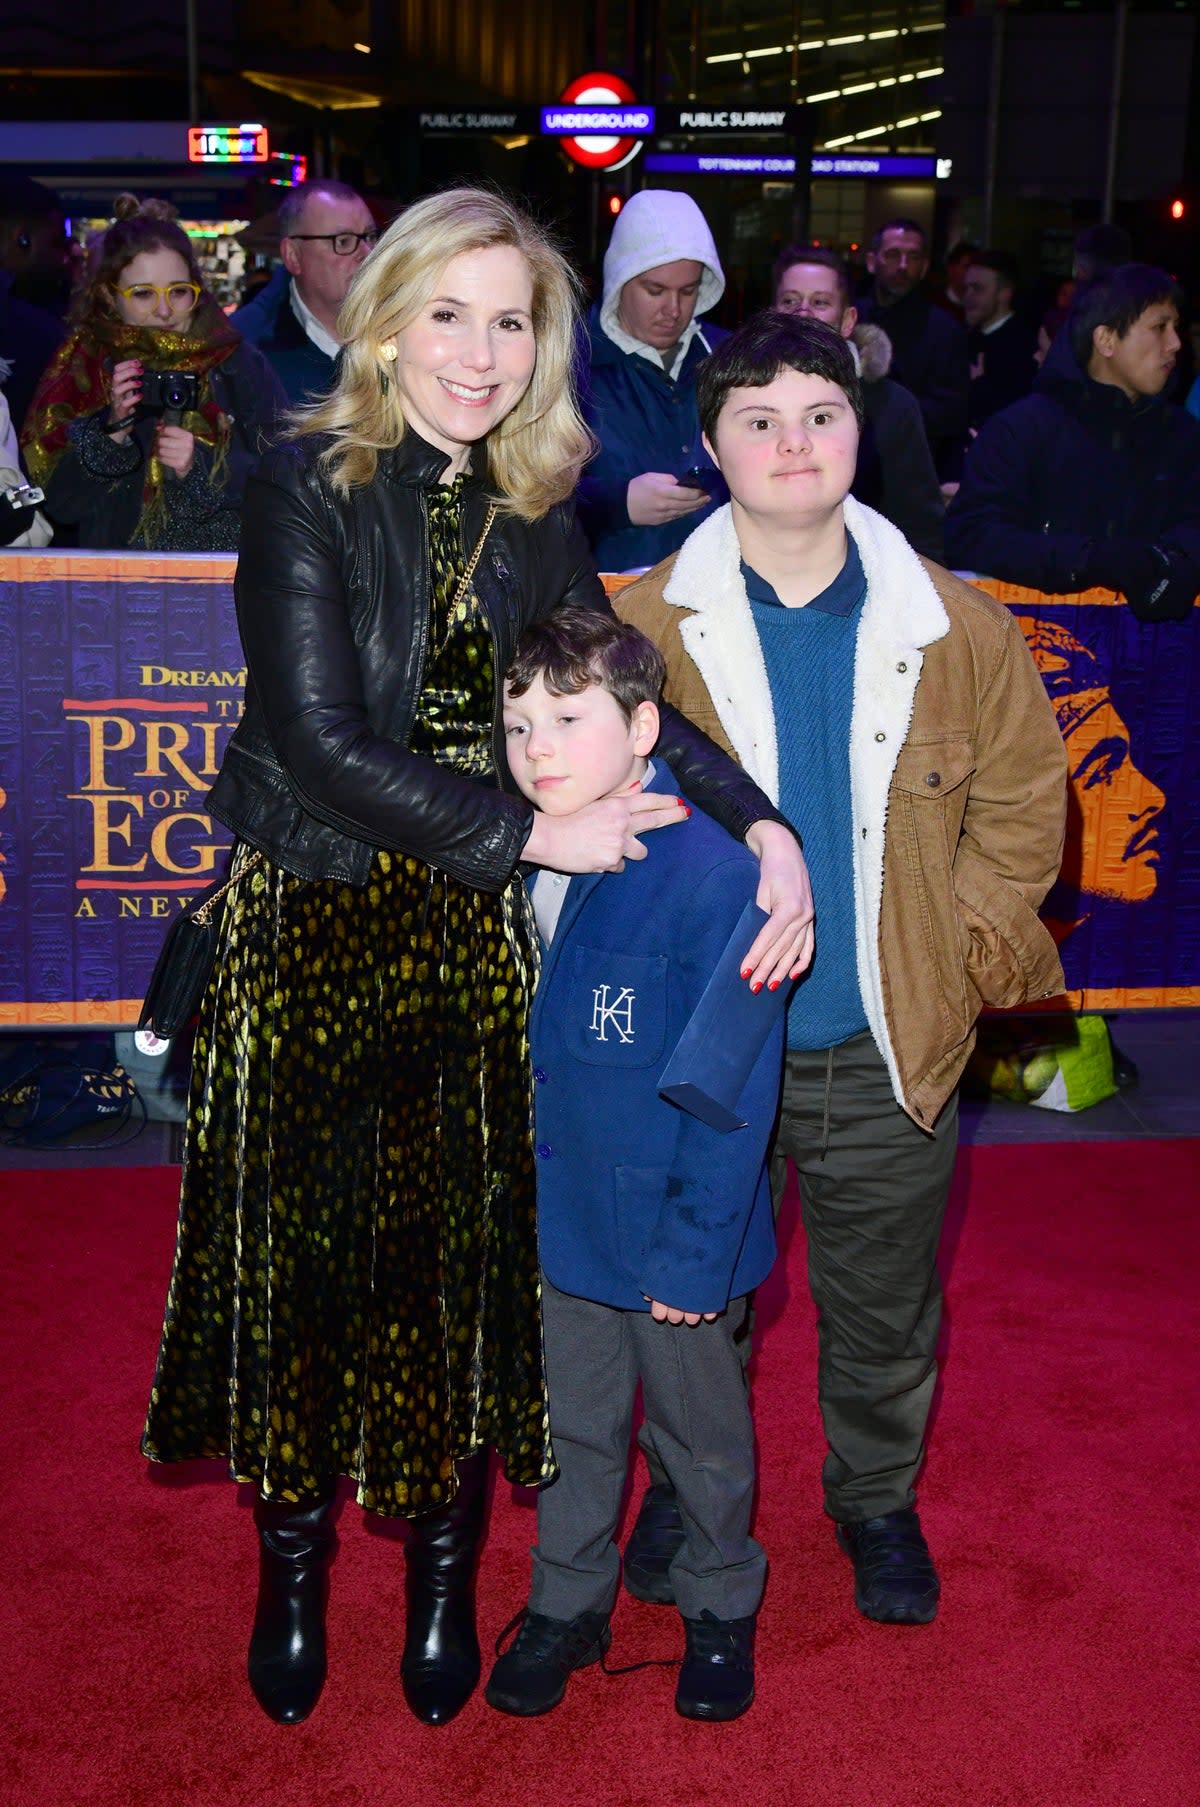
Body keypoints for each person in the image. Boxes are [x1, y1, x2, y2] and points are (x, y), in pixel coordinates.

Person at [139, 187, 813, 1732]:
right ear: (385, 317)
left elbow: (631, 695)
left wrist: (764, 824)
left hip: (469, 950)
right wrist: (526, 833)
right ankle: (293, 1569)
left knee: (456, 1277)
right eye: (449, 310)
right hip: (313, 922)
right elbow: (313, 736)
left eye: (512, 318)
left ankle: (448, 1577)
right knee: (304, 1274)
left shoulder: (534, 509)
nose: (480, 348)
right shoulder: (305, 477)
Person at [613, 312, 1066, 1628]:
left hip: (888, 1042)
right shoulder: (641, 627)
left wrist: (954, 961)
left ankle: (874, 1496)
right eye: (757, 419)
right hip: (706, 1051)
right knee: (691, 1298)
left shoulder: (962, 625)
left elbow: (1029, 809)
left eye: (820, 413)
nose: (792, 441)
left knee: (884, 1305)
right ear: (711, 446)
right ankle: (678, 1486)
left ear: (860, 435)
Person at [484, 609, 783, 1725]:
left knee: (700, 1441)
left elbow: (731, 1091)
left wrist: (697, 1259)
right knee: (575, 1427)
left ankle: (717, 1602)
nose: (537, 748)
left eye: (567, 718)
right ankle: (567, 1602)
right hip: (564, 1224)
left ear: (644, 725)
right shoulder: (528, 851)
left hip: (675, 1233)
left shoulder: (712, 878)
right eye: (517, 725)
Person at [21, 194, 286, 551]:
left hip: (225, 582)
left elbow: (285, 477)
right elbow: (61, 505)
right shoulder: (86, 367)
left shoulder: (236, 361)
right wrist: (111, 431)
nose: (164, 311)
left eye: (178, 292)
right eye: (143, 294)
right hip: (117, 586)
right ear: (109, 296)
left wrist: (201, 465)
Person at [945, 264, 1199, 623]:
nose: (1175, 343)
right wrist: (1089, 560)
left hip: (1156, 662)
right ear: (1106, 340)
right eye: (1159, 327)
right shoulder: (1021, 430)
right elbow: (972, 534)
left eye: (1176, 327)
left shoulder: (1182, 434)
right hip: (1045, 656)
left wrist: (1170, 562)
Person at [576, 189, 728, 573]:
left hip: (721, 597)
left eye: (689, 291)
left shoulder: (730, 358)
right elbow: (518, 495)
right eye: (655, 290)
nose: (673, 310)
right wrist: (616, 503)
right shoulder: (568, 361)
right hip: (603, 607)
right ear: (619, 281)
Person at [773, 244, 944, 558]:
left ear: (848, 320)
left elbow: (920, 523)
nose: (803, 312)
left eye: (820, 302)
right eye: (790, 301)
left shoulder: (892, 406)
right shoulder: (748, 399)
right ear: (774, 314)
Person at [232, 179, 379, 405]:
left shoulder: (406, 328)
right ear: (293, 255)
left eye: (370, 236)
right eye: (343, 241)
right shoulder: (243, 351)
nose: (367, 253)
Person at [856, 217, 969, 480]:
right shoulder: (849, 318)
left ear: (925, 266)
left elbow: (951, 412)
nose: (903, 266)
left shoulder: (945, 330)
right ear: (872, 262)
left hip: (911, 471)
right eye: (893, 255)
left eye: (914, 257)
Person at [962, 249, 1036, 432]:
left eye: (978, 289)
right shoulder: (964, 339)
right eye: (966, 288)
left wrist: (980, 387)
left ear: (1004, 294)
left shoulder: (1023, 348)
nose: (968, 296)